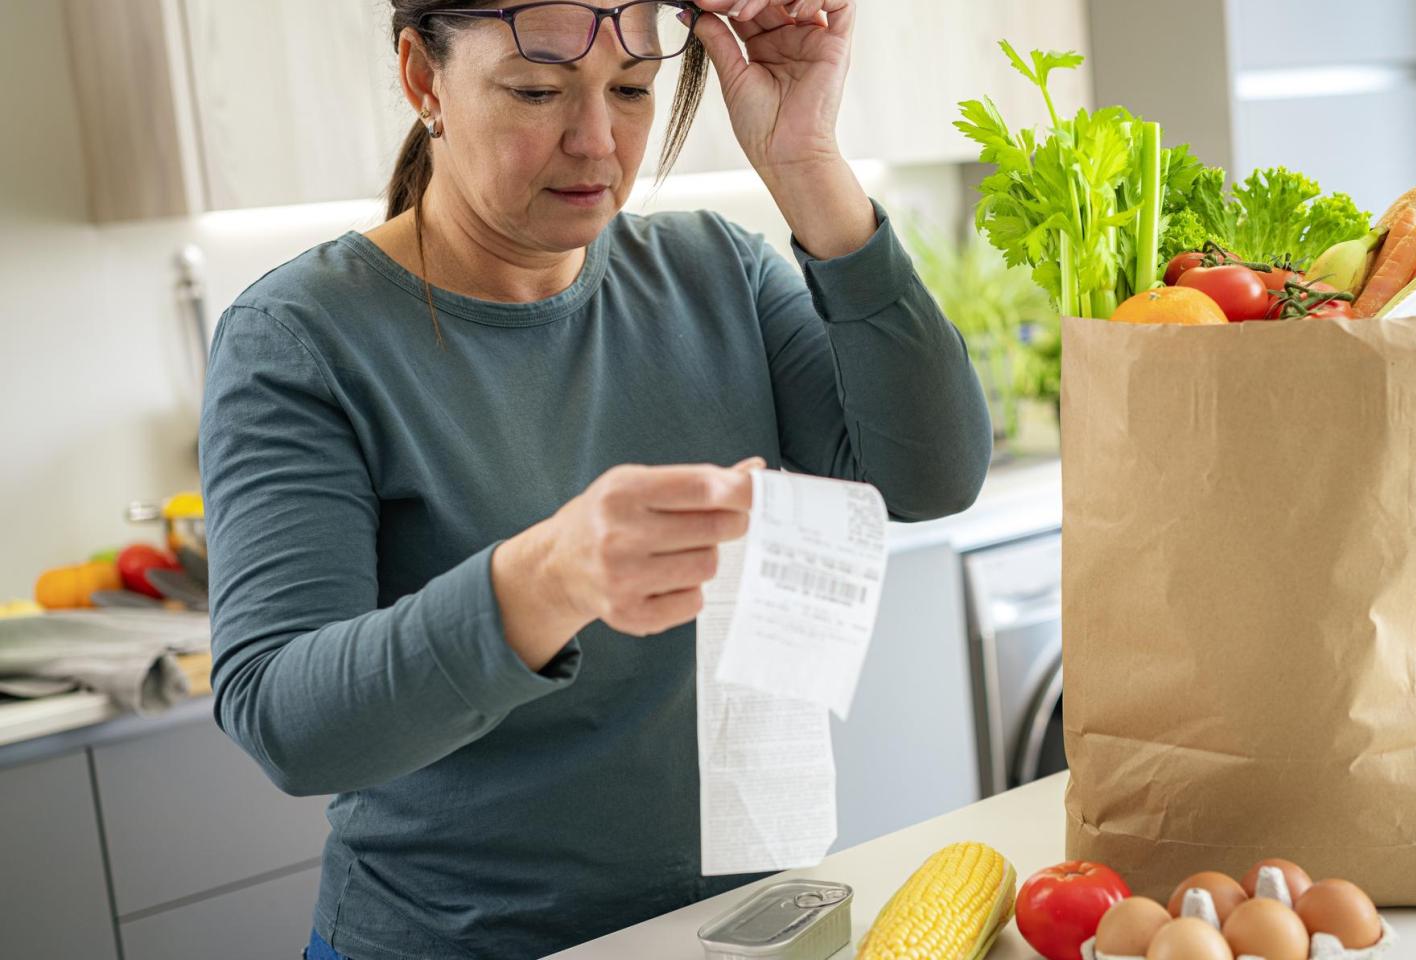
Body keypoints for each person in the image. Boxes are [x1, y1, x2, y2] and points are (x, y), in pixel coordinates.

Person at [197, 0, 990, 957]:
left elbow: (932, 475)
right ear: (422, 79)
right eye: (537, 91)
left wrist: (807, 162)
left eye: (632, 89)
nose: (597, 141)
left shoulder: (716, 274)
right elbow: (286, 721)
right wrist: (548, 579)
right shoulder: (300, 338)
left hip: (737, 930)